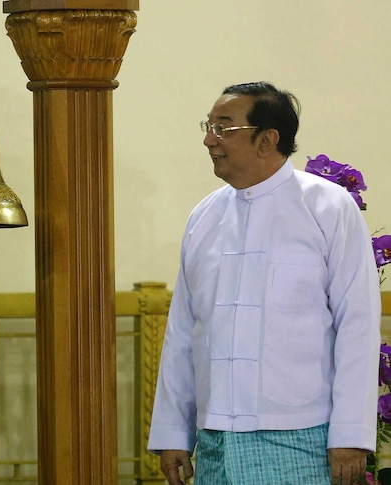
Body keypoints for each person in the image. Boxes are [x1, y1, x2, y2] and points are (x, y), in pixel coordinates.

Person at [147, 82, 381, 485]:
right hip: (215, 438)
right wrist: (173, 433)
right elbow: (183, 332)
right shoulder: (204, 216)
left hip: (302, 437)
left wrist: (350, 435)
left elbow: (357, 326)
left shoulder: (327, 207)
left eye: (223, 128)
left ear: (266, 140)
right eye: (209, 126)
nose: (208, 139)